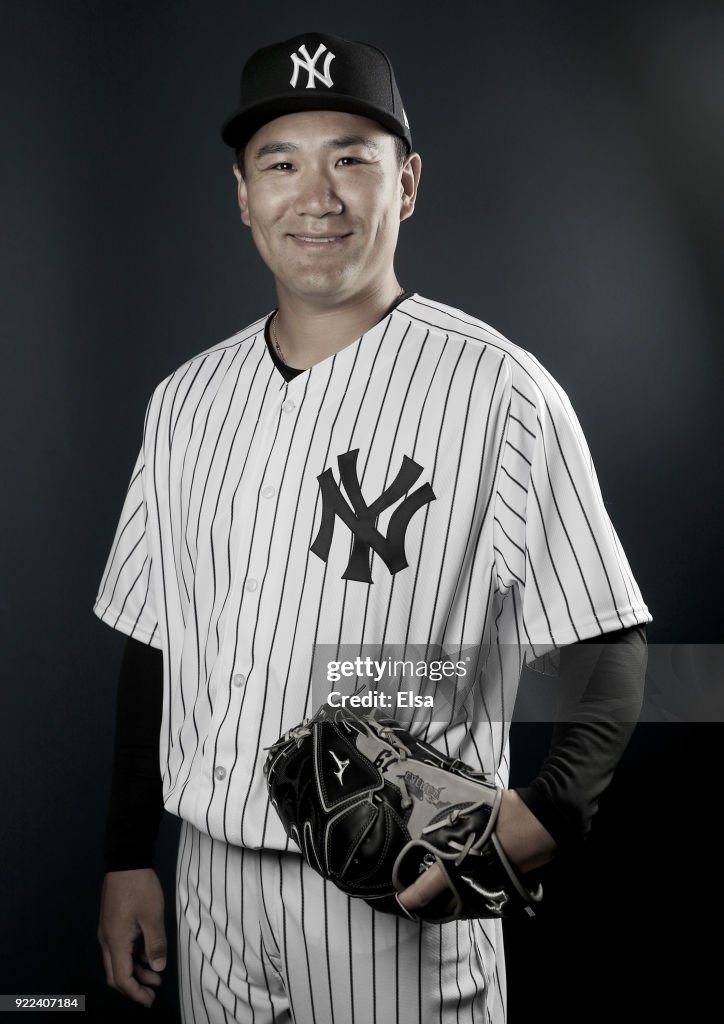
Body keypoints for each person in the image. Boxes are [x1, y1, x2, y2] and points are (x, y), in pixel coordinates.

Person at [95, 32, 651, 1023]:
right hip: (209, 882)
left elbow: (610, 640)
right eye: (282, 163)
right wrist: (128, 853)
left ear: (407, 184)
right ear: (242, 193)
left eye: (352, 157)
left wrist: (550, 810)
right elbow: (156, 636)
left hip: (390, 904)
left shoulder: (498, 393)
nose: (318, 196)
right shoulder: (182, 403)